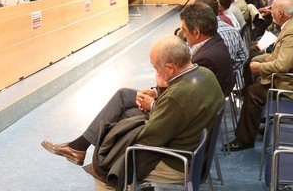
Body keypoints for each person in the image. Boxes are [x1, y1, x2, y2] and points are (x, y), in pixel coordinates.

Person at [40, 35, 223, 180]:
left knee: (104, 168)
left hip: (176, 162)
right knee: (125, 107)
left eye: (155, 67)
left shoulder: (176, 97)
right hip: (190, 144)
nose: (155, 71)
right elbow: (177, 106)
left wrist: (152, 106)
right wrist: (158, 91)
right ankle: (81, 147)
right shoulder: (204, 73)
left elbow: (147, 140)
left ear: (170, 68)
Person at [225, 0, 293, 151]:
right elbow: (281, 55)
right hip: (292, 75)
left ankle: (244, 139)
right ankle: (253, 122)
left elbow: (282, 65)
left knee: (253, 92)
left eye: (273, 10)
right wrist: (263, 60)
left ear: (281, 13)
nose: (270, 12)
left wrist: (261, 68)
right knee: (255, 82)